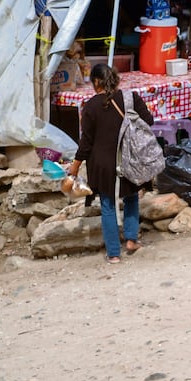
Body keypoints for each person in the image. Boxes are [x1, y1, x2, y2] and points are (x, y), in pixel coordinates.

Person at [67, 64, 152, 263]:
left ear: (96, 82)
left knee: (108, 205)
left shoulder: (91, 106)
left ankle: (113, 254)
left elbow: (86, 143)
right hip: (129, 159)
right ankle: (131, 240)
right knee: (131, 197)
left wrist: (75, 166)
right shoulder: (131, 99)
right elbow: (148, 121)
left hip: (103, 165)